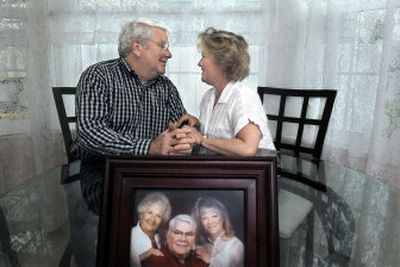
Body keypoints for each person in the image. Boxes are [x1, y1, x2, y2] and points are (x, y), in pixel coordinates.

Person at [75, 19, 197, 215]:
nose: (169, 53)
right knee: (126, 213)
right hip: (103, 171)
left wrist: (184, 138)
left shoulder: (166, 87)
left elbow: (179, 129)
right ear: (137, 47)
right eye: (162, 46)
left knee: (189, 209)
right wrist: (148, 147)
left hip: (153, 172)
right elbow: (90, 134)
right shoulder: (98, 76)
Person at [188, 27, 275, 156]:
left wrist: (202, 139)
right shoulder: (209, 96)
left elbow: (247, 149)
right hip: (224, 171)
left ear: (222, 62)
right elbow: (217, 133)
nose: (199, 63)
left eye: (203, 56)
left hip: (254, 173)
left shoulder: (243, 97)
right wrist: (196, 124)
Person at [191, 197, 244, 267]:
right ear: (201, 222)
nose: (210, 222)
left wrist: (210, 260)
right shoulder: (204, 246)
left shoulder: (235, 245)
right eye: (204, 218)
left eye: (214, 216)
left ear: (223, 217)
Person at [141, 214, 208, 267]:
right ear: (168, 235)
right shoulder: (154, 261)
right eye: (177, 233)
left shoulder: (201, 260)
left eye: (189, 234)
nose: (183, 239)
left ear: (195, 238)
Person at [131, 192, 172, 267]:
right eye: (149, 212)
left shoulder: (164, 237)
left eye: (158, 216)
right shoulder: (130, 236)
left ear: (162, 220)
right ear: (141, 214)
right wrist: (144, 256)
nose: (153, 219)